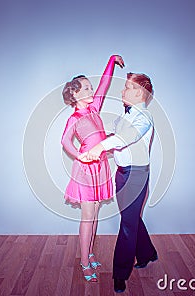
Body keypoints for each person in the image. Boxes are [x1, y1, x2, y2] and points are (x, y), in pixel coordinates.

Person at [80, 72, 158, 292]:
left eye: (126, 87)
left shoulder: (144, 117)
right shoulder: (127, 115)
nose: (122, 91)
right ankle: (147, 253)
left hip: (137, 175)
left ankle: (120, 274)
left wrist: (99, 148)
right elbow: (116, 135)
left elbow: (126, 138)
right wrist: (98, 138)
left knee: (126, 226)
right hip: (122, 173)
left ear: (138, 92)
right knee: (130, 218)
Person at [61, 55, 124, 282]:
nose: (91, 90)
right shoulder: (74, 118)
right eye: (85, 88)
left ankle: (89, 253)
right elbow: (65, 142)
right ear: (75, 94)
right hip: (86, 171)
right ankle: (84, 263)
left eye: (90, 87)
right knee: (88, 217)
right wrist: (81, 156)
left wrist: (111, 61)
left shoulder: (94, 108)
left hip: (101, 167)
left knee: (95, 214)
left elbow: (104, 85)